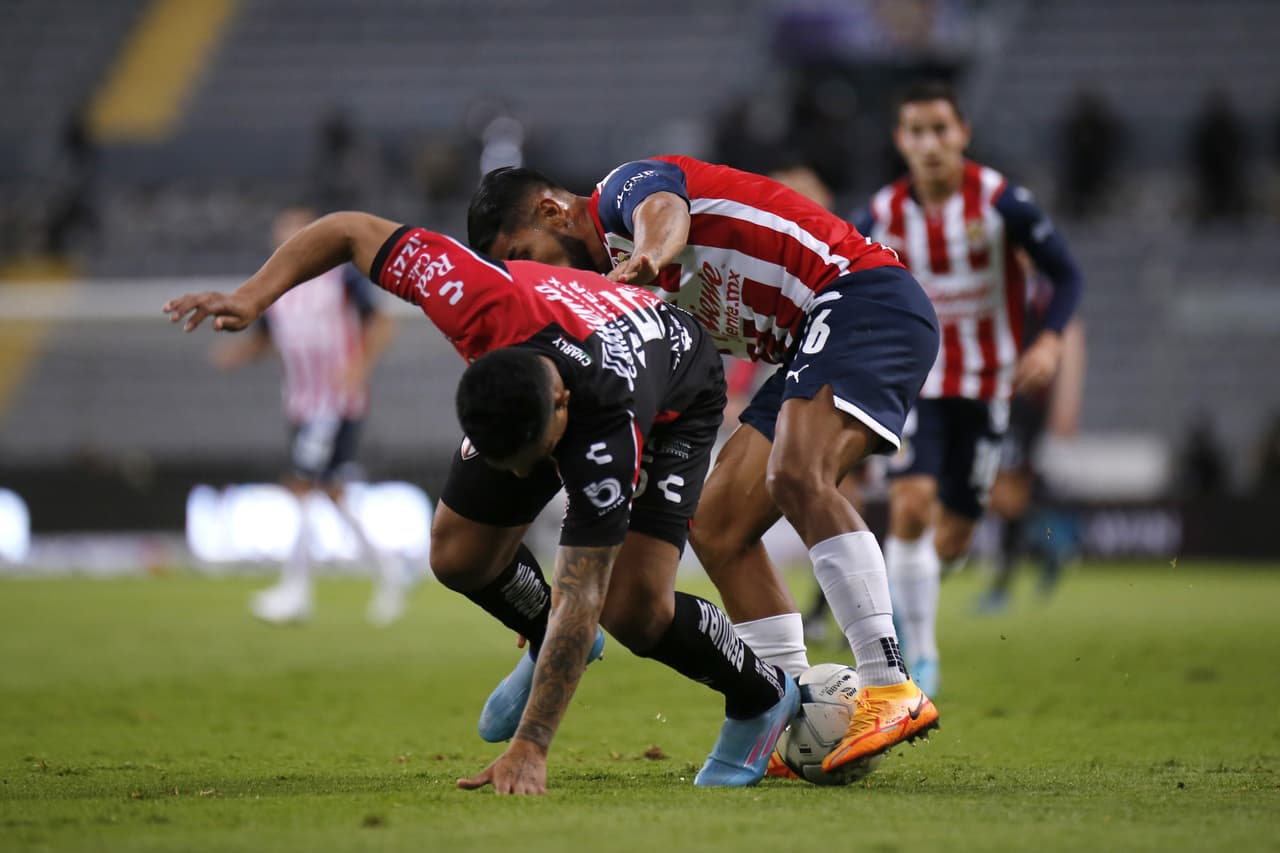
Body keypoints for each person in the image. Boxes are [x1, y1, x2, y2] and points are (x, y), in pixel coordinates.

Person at [164, 212, 800, 794]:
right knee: (458, 554)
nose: (526, 475)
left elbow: (582, 598)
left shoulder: (605, 432)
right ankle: (534, 626)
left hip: (673, 392)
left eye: (532, 458)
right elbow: (349, 231)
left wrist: (531, 746)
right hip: (561, 345)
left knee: (632, 608)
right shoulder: (472, 298)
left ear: (560, 415)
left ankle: (761, 696)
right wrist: (254, 295)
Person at [467, 151, 942, 777]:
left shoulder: (619, 192)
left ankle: (889, 684)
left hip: (860, 296)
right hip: (807, 339)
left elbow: (664, 211)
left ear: (554, 211)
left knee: (798, 473)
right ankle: (792, 704)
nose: (542, 280)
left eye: (533, 257)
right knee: (717, 525)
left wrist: (650, 256)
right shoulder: (606, 308)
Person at [851, 81, 1084, 694]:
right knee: (908, 506)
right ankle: (919, 659)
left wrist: (1051, 338)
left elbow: (1066, 273)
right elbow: (844, 282)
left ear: (962, 134)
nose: (929, 143)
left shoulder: (1002, 203)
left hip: (987, 385)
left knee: (952, 540)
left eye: (940, 129)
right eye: (916, 131)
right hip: (914, 384)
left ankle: (912, 598)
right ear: (901, 141)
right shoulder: (882, 214)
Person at [210, 206, 404, 625]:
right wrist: (238, 355)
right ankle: (390, 573)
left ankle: (295, 592)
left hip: (335, 402)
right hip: (300, 403)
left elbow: (383, 323)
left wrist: (358, 368)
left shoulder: (342, 277)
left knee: (301, 486)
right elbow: (267, 338)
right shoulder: (278, 286)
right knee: (331, 494)